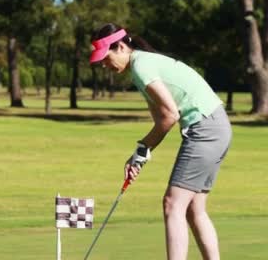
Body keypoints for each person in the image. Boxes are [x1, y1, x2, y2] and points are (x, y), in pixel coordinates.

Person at [89, 23, 232, 260]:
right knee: (194, 209)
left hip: (205, 129)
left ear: (121, 47)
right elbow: (160, 120)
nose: (104, 64)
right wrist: (140, 156)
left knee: (172, 204)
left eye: (106, 57)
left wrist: (141, 148)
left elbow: (170, 116)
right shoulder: (142, 66)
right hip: (217, 127)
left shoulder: (141, 66)